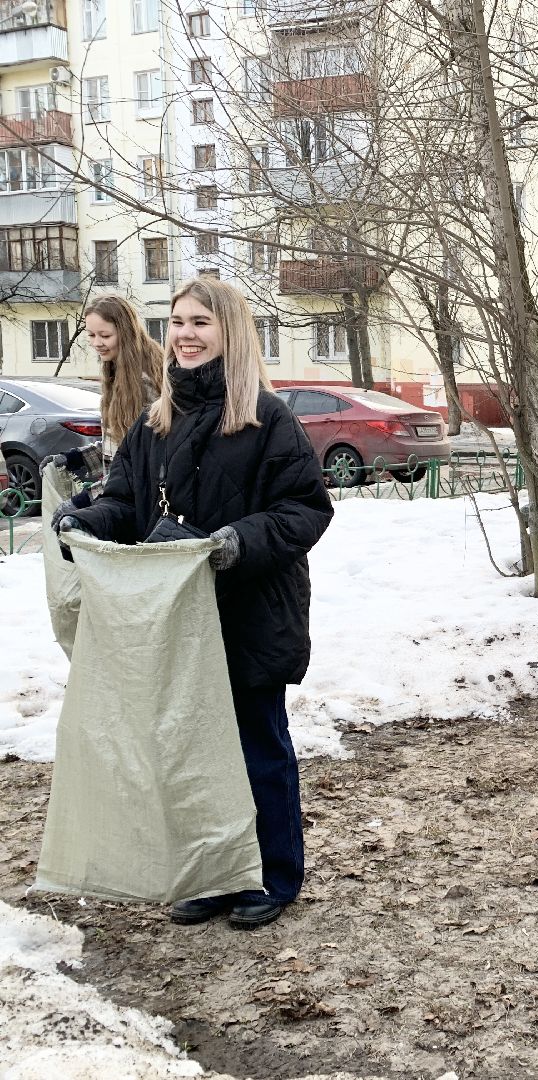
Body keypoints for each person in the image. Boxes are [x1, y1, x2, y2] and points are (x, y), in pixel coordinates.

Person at [55, 277, 334, 928]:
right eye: (176, 321)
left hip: (252, 613)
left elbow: (306, 509)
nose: (184, 333)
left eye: (200, 322)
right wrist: (86, 523)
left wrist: (239, 540)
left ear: (229, 332)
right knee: (191, 755)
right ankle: (214, 875)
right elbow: (124, 502)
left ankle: (272, 876)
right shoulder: (159, 420)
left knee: (256, 748)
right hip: (180, 619)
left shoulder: (267, 417)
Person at [45, 295, 164, 521]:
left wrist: (86, 499)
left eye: (105, 335)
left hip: (139, 508)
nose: (96, 343)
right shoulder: (117, 372)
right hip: (123, 503)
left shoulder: (144, 384)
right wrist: (74, 459)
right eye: (91, 335)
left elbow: (140, 463)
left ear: (126, 332)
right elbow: (122, 446)